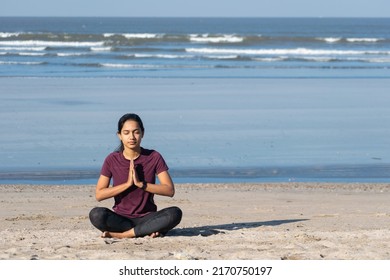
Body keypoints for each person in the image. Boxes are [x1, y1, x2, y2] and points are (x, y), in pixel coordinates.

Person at [89, 113, 182, 238]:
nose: (131, 137)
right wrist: (127, 184)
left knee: (175, 213)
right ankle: (145, 231)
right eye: (126, 133)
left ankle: (126, 234)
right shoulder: (112, 159)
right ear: (119, 135)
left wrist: (141, 184)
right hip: (121, 219)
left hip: (147, 217)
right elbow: (99, 194)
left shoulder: (154, 157)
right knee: (96, 214)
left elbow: (169, 190)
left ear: (142, 133)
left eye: (136, 132)